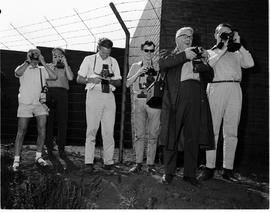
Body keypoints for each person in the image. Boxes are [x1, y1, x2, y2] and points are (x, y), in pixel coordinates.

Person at [159, 27, 215, 187]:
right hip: (177, 97)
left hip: (196, 96)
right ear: (177, 38)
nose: (189, 39)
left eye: (190, 37)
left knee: (193, 136)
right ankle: (168, 172)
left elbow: (210, 76)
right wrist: (184, 55)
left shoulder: (198, 55)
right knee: (172, 134)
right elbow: (162, 64)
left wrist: (205, 61)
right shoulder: (168, 53)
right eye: (185, 36)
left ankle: (190, 174)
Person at [198, 23, 254, 182]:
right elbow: (208, 65)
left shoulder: (237, 52)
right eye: (222, 34)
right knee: (213, 130)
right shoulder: (209, 52)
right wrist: (222, 48)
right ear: (215, 35)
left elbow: (249, 63)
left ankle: (227, 169)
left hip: (235, 89)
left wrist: (238, 44)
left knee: (231, 131)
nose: (225, 37)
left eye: (228, 34)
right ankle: (209, 167)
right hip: (216, 88)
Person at [77, 38, 122, 172]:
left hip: (109, 95)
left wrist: (111, 81)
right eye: (103, 53)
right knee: (92, 129)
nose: (105, 56)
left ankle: (108, 162)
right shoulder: (88, 59)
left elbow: (119, 82)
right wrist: (91, 79)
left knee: (108, 131)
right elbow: (79, 79)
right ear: (98, 48)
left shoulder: (113, 62)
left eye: (107, 53)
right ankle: (88, 162)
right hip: (94, 94)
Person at [12, 48, 57, 171]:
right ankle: (16, 159)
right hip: (25, 103)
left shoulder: (42, 70)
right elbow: (18, 73)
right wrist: (27, 61)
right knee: (21, 131)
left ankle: (38, 156)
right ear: (28, 55)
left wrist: (43, 62)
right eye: (33, 53)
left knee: (42, 129)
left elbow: (54, 76)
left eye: (38, 54)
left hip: (39, 103)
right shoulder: (23, 67)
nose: (35, 55)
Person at [126, 41, 161, 173]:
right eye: (146, 50)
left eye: (151, 51)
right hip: (139, 101)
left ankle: (150, 165)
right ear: (142, 51)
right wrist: (139, 72)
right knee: (139, 134)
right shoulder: (135, 66)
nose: (149, 53)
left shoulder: (158, 67)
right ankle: (138, 163)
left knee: (153, 134)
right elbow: (127, 83)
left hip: (154, 102)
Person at [46, 47, 74, 159]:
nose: (57, 57)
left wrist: (65, 63)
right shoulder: (47, 66)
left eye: (59, 55)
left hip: (62, 94)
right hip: (49, 94)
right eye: (55, 55)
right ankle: (48, 147)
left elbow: (71, 78)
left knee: (62, 121)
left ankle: (61, 148)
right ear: (52, 56)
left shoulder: (66, 67)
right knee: (49, 122)